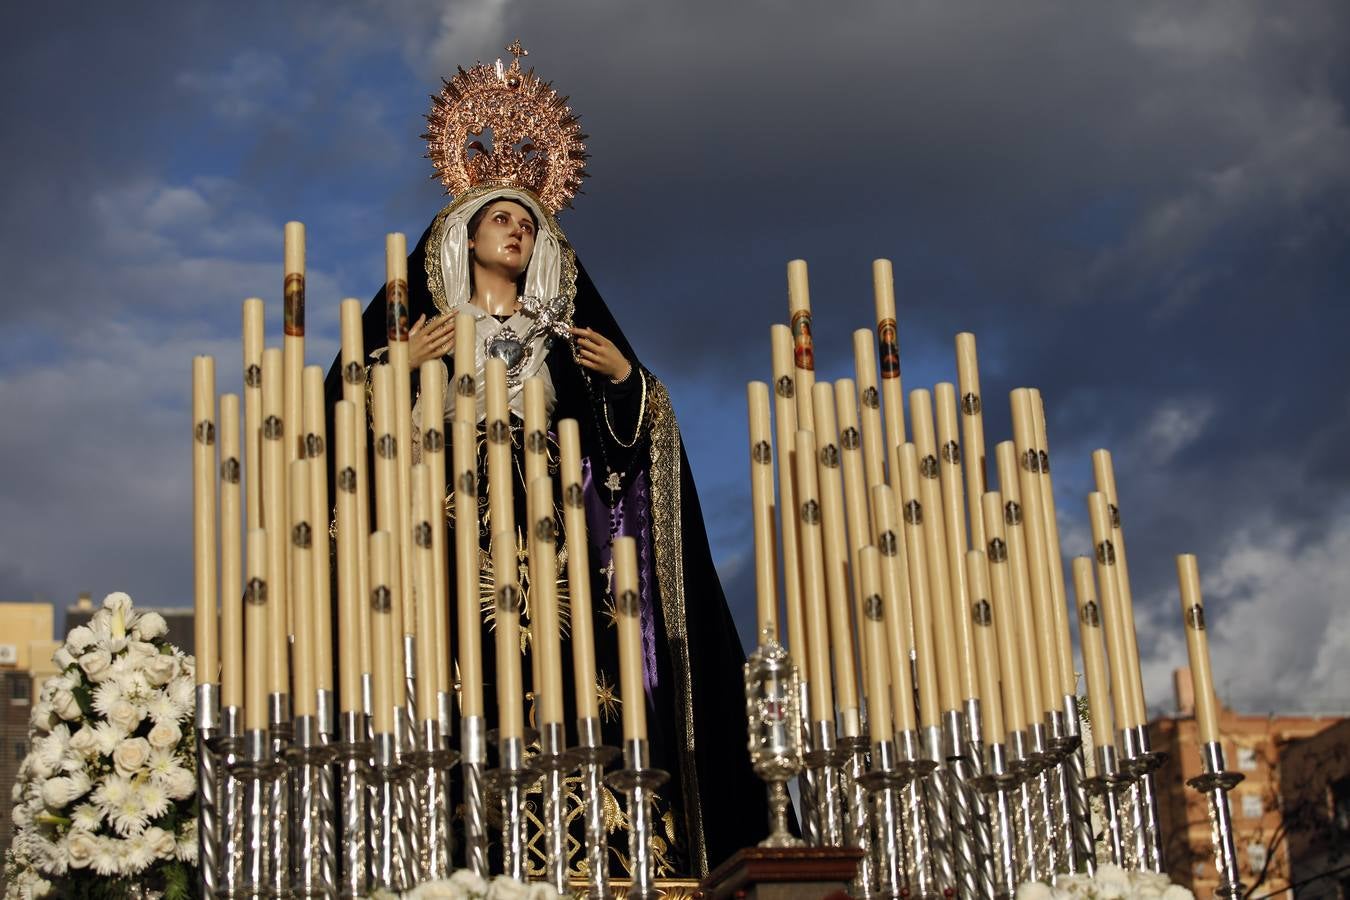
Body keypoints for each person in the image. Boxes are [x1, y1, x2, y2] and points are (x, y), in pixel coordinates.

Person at [323, 46, 767, 879]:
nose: (518, 226)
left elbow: (638, 463)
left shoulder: (567, 350)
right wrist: (398, 370)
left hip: (560, 567)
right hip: (448, 565)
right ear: (460, 233)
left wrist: (628, 384)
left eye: (530, 220)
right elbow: (333, 447)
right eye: (500, 216)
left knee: (575, 693)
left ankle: (594, 850)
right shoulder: (424, 341)